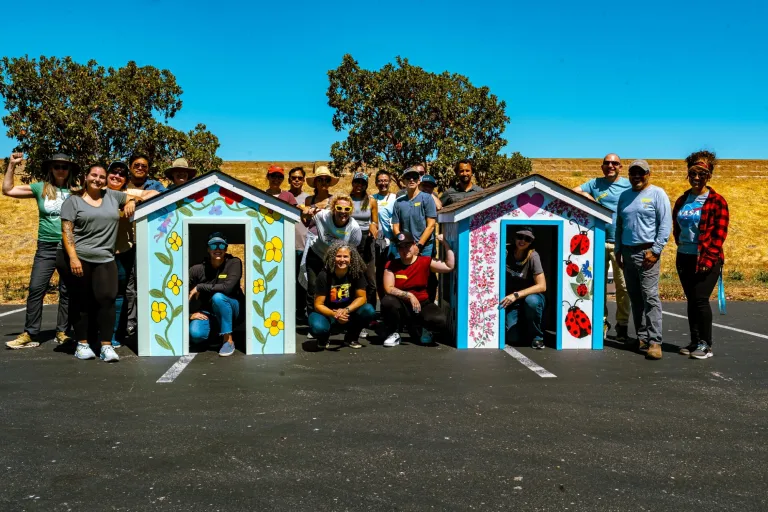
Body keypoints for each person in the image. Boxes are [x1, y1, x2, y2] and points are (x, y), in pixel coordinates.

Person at [57, 164, 158, 362]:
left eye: (102, 177)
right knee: (81, 301)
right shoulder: (73, 201)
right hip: (77, 257)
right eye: (94, 175)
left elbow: (142, 196)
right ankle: (83, 344)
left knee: (108, 299)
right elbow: (66, 231)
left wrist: (130, 201)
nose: (98, 179)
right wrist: (74, 258)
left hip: (105, 257)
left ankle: (106, 346)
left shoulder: (112, 196)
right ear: (85, 177)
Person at [4, 153, 77, 349]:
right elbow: (8, 190)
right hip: (45, 246)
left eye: (64, 166)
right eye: (57, 166)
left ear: (69, 170)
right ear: (51, 169)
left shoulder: (76, 192)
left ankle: (63, 332)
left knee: (67, 291)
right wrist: (11, 165)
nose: (61, 169)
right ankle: (30, 333)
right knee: (36, 288)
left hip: (68, 247)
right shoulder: (40, 188)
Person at [673, 151, 729, 360]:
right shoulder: (682, 200)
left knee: (701, 300)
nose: (697, 178)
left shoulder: (717, 201)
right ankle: (695, 341)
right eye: (693, 174)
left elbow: (719, 234)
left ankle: (706, 344)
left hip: (707, 258)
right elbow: (677, 227)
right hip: (684, 256)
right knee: (691, 300)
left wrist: (707, 258)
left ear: (709, 175)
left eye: (702, 174)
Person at [615, 160, 672, 360]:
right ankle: (642, 337)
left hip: (647, 252)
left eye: (641, 173)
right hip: (628, 252)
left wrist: (655, 250)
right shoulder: (624, 196)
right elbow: (620, 225)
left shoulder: (658, 194)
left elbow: (665, 224)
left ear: (648, 174)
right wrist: (618, 250)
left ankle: (655, 341)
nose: (637, 176)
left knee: (650, 296)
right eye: (633, 173)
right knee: (635, 296)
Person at [572, 154, 632, 341]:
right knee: (597, 286)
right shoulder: (595, 184)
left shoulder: (627, 185)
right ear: (602, 166)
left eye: (614, 163)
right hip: (598, 242)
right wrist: (592, 199)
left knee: (623, 287)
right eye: (607, 163)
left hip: (620, 243)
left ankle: (622, 325)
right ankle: (601, 323)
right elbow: (574, 191)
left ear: (620, 167)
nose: (610, 166)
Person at [381, 232, 455, 347]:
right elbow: (388, 288)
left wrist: (445, 244)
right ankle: (394, 332)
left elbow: (449, 266)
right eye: (401, 247)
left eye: (407, 246)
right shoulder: (391, 264)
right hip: (402, 304)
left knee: (439, 320)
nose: (404, 250)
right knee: (387, 301)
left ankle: (422, 328)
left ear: (414, 245)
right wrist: (409, 295)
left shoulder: (425, 261)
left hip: (422, 304)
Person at [302, 194, 362, 318]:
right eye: (339, 208)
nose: (343, 212)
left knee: (337, 288)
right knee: (313, 286)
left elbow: (352, 250)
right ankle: (313, 318)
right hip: (317, 254)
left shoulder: (354, 228)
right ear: (333, 208)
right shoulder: (322, 216)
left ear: (351, 211)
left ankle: (339, 316)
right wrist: (305, 211)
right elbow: (305, 215)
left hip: (337, 260)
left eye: (347, 209)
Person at [309, 242, 377, 350]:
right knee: (318, 327)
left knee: (368, 310)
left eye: (345, 256)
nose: (342, 260)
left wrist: (345, 310)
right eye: (338, 256)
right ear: (332, 257)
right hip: (327, 313)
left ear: (351, 258)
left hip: (349, 313)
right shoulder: (324, 275)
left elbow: (362, 298)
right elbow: (318, 304)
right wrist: (334, 314)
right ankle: (323, 338)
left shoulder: (356, 273)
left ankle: (351, 338)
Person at [188, 232, 246, 357]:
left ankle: (228, 340)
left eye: (221, 246)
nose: (218, 249)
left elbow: (227, 288)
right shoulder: (197, 270)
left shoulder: (234, 263)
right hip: (208, 312)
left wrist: (200, 287)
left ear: (226, 248)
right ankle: (215, 335)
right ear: (208, 249)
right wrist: (189, 314)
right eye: (213, 246)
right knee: (196, 334)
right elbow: (178, 292)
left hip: (234, 310)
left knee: (218, 297)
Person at [499, 227, 547, 349]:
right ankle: (523, 328)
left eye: (528, 239)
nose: (523, 241)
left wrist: (516, 295)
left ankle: (537, 336)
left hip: (529, 298)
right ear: (515, 237)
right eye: (520, 237)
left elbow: (542, 286)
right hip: (512, 302)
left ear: (531, 242)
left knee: (532, 302)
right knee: (512, 338)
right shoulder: (505, 250)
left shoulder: (533, 256)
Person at [105, 161, 135, 347]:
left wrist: (131, 200)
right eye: (113, 173)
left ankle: (116, 333)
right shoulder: (95, 195)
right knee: (98, 295)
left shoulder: (126, 195)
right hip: (98, 253)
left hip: (122, 252)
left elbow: (152, 194)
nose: (116, 176)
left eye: (121, 174)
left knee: (119, 295)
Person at [392, 167, 437, 257]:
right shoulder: (398, 202)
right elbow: (395, 227)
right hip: (406, 247)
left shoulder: (427, 198)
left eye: (415, 177)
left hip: (425, 247)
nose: (411, 180)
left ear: (419, 180)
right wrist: (403, 243)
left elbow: (431, 225)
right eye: (408, 178)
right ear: (403, 181)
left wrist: (418, 246)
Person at [349, 172, 379, 306]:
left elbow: (374, 221)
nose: (359, 185)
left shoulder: (371, 200)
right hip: (350, 239)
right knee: (352, 275)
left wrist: (373, 227)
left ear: (366, 185)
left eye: (362, 183)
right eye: (357, 182)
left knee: (370, 278)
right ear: (352, 183)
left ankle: (371, 310)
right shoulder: (347, 199)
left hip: (367, 239)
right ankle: (351, 309)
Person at [288, 167, 310, 324]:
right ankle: (288, 310)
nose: (296, 180)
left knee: (302, 281)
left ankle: (301, 311)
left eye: (299, 178)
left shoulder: (308, 199)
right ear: (289, 180)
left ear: (303, 180)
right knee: (287, 281)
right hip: (286, 246)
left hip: (303, 246)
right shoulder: (283, 197)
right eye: (293, 177)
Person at [373, 171, 398, 300]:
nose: (383, 183)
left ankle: (393, 301)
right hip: (378, 242)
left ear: (389, 182)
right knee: (379, 272)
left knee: (393, 271)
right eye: (380, 181)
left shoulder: (395, 198)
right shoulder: (372, 198)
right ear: (376, 183)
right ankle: (383, 301)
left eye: (385, 180)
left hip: (393, 242)